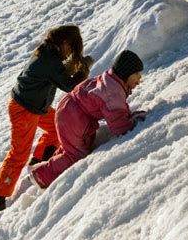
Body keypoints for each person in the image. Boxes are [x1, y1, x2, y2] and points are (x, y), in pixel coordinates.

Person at [0, 25, 93, 212]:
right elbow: (69, 85)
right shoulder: (50, 59)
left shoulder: (47, 51)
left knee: (56, 127)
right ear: (64, 43)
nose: (70, 52)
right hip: (25, 109)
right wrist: (83, 68)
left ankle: (38, 162)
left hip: (34, 106)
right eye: (71, 47)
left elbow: (57, 75)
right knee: (19, 151)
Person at [29, 50, 147, 189]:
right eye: (137, 74)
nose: (139, 78)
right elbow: (119, 125)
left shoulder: (110, 80)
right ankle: (41, 176)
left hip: (70, 111)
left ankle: (50, 166)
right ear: (126, 73)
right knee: (76, 154)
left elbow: (118, 110)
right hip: (73, 117)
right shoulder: (112, 91)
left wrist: (129, 116)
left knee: (73, 147)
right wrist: (133, 122)